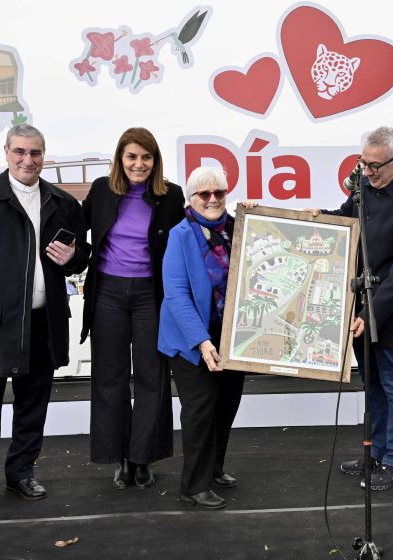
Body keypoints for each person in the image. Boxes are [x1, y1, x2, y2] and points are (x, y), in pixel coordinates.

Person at [0, 124, 89, 517]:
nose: (28, 160)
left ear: (45, 155)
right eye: (20, 152)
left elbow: (81, 255)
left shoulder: (62, 202)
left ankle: (21, 471)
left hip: (43, 322)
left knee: (32, 405)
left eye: (36, 153)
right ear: (6, 152)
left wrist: (74, 260)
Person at [313, 126, 393, 491]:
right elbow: (346, 219)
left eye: (375, 166)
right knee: (373, 384)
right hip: (358, 307)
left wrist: (371, 315)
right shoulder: (364, 187)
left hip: (389, 312)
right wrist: (318, 218)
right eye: (362, 164)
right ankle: (377, 452)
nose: (366, 172)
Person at [81, 128, 185, 490]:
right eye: (131, 157)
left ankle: (143, 458)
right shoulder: (100, 190)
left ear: (155, 161)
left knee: (151, 377)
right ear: (119, 159)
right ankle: (119, 458)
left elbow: (185, 241)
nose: (139, 164)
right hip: (107, 292)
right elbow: (78, 236)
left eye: (146, 157)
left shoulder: (171, 196)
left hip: (150, 296)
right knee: (110, 378)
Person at [158, 166, 249, 510]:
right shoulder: (181, 235)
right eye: (204, 194)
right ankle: (193, 485)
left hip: (231, 335)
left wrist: (257, 216)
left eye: (219, 193)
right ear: (191, 199)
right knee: (199, 410)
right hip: (189, 339)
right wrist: (201, 341)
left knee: (225, 406)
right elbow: (176, 295)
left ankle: (214, 468)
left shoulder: (239, 228)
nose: (212, 199)